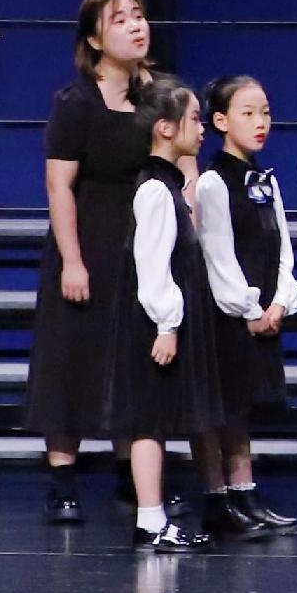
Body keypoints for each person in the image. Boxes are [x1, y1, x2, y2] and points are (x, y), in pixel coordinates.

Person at [30, 0, 154, 525]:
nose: (135, 25)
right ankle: (62, 479)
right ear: (94, 38)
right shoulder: (75, 102)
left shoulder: (157, 98)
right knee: (72, 358)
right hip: (87, 240)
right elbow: (59, 186)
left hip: (140, 244)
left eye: (139, 16)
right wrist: (73, 260)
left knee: (132, 358)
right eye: (120, 19)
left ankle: (133, 475)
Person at [185, 76, 297, 539]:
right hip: (228, 316)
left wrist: (280, 301)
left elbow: (283, 248)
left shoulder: (264, 180)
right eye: (248, 113)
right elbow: (217, 251)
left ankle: (245, 493)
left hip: (263, 313)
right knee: (222, 409)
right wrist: (248, 308)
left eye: (266, 112)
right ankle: (218, 499)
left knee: (243, 410)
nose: (260, 122)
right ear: (220, 121)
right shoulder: (214, 182)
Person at [114, 78, 219, 552]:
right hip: (155, 324)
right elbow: (152, 263)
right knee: (148, 420)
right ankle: (151, 520)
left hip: (163, 321)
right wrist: (167, 323)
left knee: (153, 419)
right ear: (164, 128)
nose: (200, 129)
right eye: (194, 119)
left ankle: (152, 519)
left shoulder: (167, 186)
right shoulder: (155, 191)